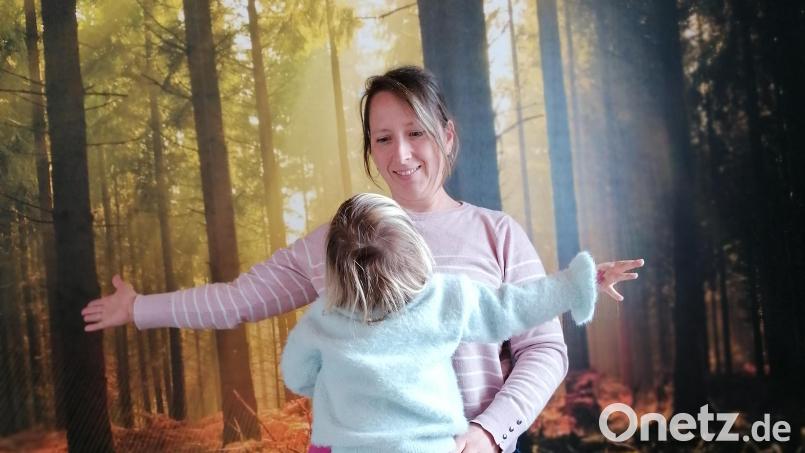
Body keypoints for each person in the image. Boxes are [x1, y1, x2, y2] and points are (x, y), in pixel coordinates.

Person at [82, 66, 643, 453]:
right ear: (370, 148)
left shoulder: (496, 233)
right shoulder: (343, 242)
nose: (400, 154)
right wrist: (140, 309)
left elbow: (543, 349)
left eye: (415, 132)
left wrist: (489, 434)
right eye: (382, 139)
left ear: (446, 135)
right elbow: (239, 298)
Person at [281, 192, 627, 453]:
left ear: (336, 271)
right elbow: (512, 307)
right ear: (418, 253)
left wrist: (340, 387)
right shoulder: (440, 299)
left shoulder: (323, 319)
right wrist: (581, 282)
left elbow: (296, 375)